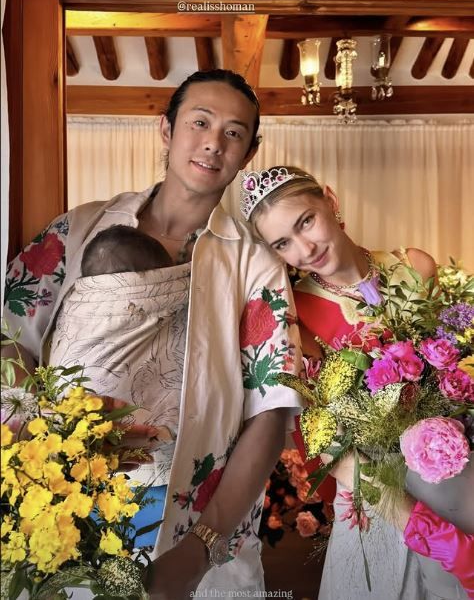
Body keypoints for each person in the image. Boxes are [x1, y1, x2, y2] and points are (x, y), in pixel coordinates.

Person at [2, 71, 303, 600]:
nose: (214, 142)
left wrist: (200, 549)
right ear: (166, 129)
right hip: (64, 499)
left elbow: (271, 411)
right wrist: (54, 425)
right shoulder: (80, 229)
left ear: (249, 152)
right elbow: (8, 333)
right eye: (200, 122)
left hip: (194, 521)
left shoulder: (255, 265)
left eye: (234, 132)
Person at [240, 165, 474, 600]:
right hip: (380, 502)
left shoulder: (415, 268)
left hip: (454, 478)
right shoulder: (292, 318)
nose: (305, 249)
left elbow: (457, 378)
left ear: (330, 200)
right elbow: (333, 451)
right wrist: (433, 534)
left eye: (306, 221)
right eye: (282, 243)